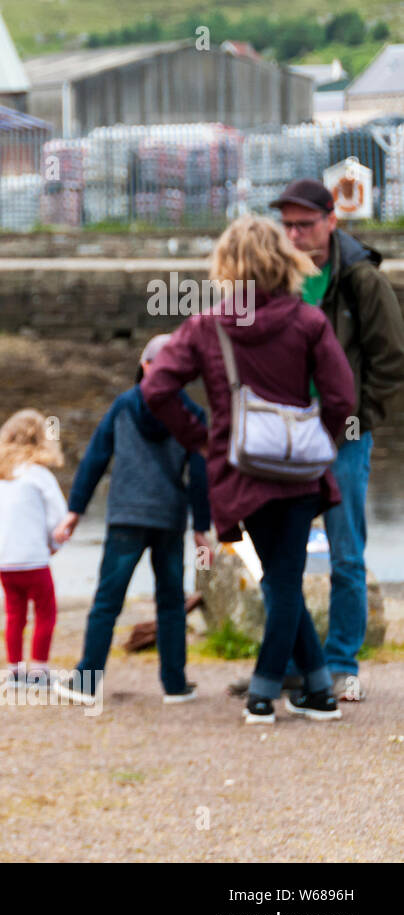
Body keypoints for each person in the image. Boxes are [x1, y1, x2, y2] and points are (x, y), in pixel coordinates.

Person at [142, 215, 356, 725]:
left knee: (279, 579)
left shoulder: (207, 325)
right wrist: (316, 437)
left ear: (228, 267)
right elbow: (343, 398)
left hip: (242, 474)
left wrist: (203, 439)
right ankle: (320, 689)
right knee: (284, 579)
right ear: (284, 260)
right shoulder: (309, 322)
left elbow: (156, 390)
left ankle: (263, 691)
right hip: (301, 473)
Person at [223, 180, 404, 703]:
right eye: (288, 225)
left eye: (305, 224)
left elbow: (390, 360)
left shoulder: (361, 280)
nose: (295, 234)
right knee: (274, 556)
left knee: (347, 552)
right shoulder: (275, 277)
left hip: (340, 438)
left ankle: (343, 662)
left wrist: (357, 422)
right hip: (277, 439)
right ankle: (290, 665)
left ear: (332, 221)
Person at [51, 335, 211, 706]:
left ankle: (87, 682)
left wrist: (75, 511)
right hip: (169, 518)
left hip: (126, 517)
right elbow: (201, 476)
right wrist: (201, 528)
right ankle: (174, 685)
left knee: (108, 600)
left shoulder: (124, 406)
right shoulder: (191, 414)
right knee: (171, 602)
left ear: (144, 365)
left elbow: (95, 459)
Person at [0, 409, 68, 687]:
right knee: (45, 612)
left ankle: (14, 671)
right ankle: (39, 670)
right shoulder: (38, 474)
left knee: (14, 614)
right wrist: (52, 545)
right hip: (34, 558)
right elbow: (59, 517)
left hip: (5, 559)